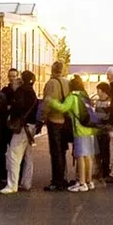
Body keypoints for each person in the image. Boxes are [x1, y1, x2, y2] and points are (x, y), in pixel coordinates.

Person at [46, 76, 100, 192]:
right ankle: (89, 181)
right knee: (88, 157)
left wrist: (51, 101)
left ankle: (81, 183)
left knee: (80, 156)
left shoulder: (73, 97)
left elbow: (63, 108)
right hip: (90, 129)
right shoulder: (85, 96)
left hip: (80, 130)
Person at [1, 71, 40, 194]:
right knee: (28, 156)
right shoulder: (32, 92)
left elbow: (17, 106)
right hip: (31, 126)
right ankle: (26, 182)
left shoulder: (21, 91)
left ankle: (12, 185)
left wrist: (12, 109)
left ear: (22, 79)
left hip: (22, 127)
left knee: (14, 155)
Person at [41, 62, 71, 191]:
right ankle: (63, 178)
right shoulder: (67, 82)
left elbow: (48, 101)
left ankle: (57, 180)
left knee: (55, 151)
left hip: (54, 120)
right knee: (62, 151)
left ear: (52, 69)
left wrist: (43, 116)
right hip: (65, 120)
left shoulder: (51, 83)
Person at [0, 68, 19, 186]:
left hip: (15, 125)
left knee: (15, 151)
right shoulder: (4, 90)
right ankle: (2, 174)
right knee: (2, 150)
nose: (12, 78)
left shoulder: (19, 91)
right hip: (4, 125)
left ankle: (14, 174)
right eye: (10, 76)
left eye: (14, 76)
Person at [93, 81, 112, 179]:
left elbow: (108, 116)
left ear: (103, 91)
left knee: (105, 151)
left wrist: (101, 120)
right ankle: (98, 170)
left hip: (105, 130)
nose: (97, 92)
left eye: (98, 90)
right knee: (97, 151)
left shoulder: (109, 102)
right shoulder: (98, 102)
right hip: (97, 129)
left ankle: (105, 170)